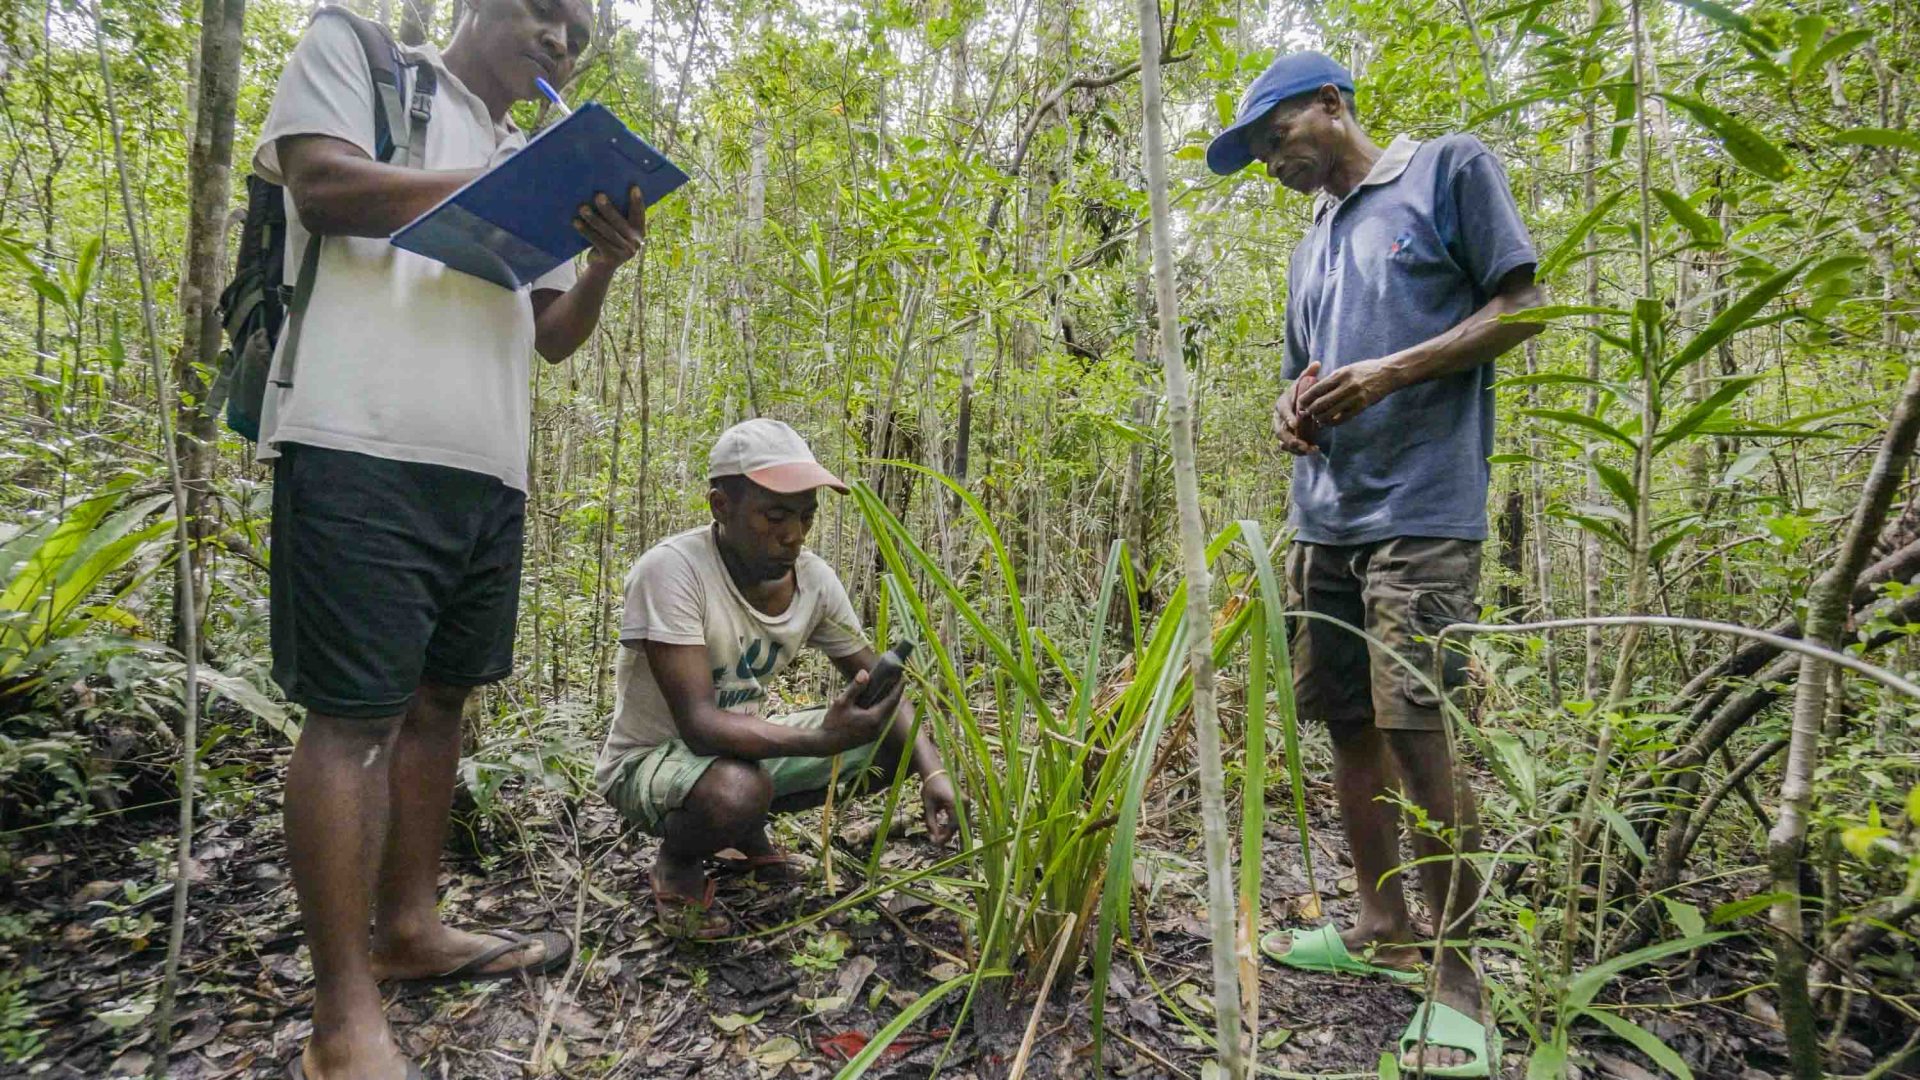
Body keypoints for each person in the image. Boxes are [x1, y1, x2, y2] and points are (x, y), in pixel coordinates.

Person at [255, 0, 644, 1076]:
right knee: (352, 722)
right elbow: (323, 187)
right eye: (542, 12)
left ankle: (413, 930)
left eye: (578, 32)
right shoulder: (370, 62)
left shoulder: (534, 157)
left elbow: (552, 336)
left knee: (438, 704)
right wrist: (494, 196)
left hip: (487, 465)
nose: (560, 40)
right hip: (358, 444)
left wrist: (599, 256)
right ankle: (344, 1022)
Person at [1207, 51, 1545, 1077]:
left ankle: (1459, 980)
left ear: (1331, 105)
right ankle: (1380, 924)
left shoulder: (1445, 170)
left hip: (1424, 512)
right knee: (1346, 720)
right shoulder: (1311, 243)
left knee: (1420, 727)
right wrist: (1293, 412)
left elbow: (1523, 308)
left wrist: (1392, 371)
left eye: (1277, 138)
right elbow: (1303, 372)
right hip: (1329, 520)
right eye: (1259, 152)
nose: (1272, 163)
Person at [595, 419, 959, 937]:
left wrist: (934, 774)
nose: (795, 534)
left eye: (806, 517)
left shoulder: (813, 580)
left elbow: (880, 685)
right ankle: (678, 863)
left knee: (901, 739)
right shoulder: (672, 571)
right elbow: (698, 725)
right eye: (775, 515)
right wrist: (821, 739)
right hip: (648, 761)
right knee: (736, 789)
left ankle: (744, 831)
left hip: (741, 753)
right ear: (721, 507)